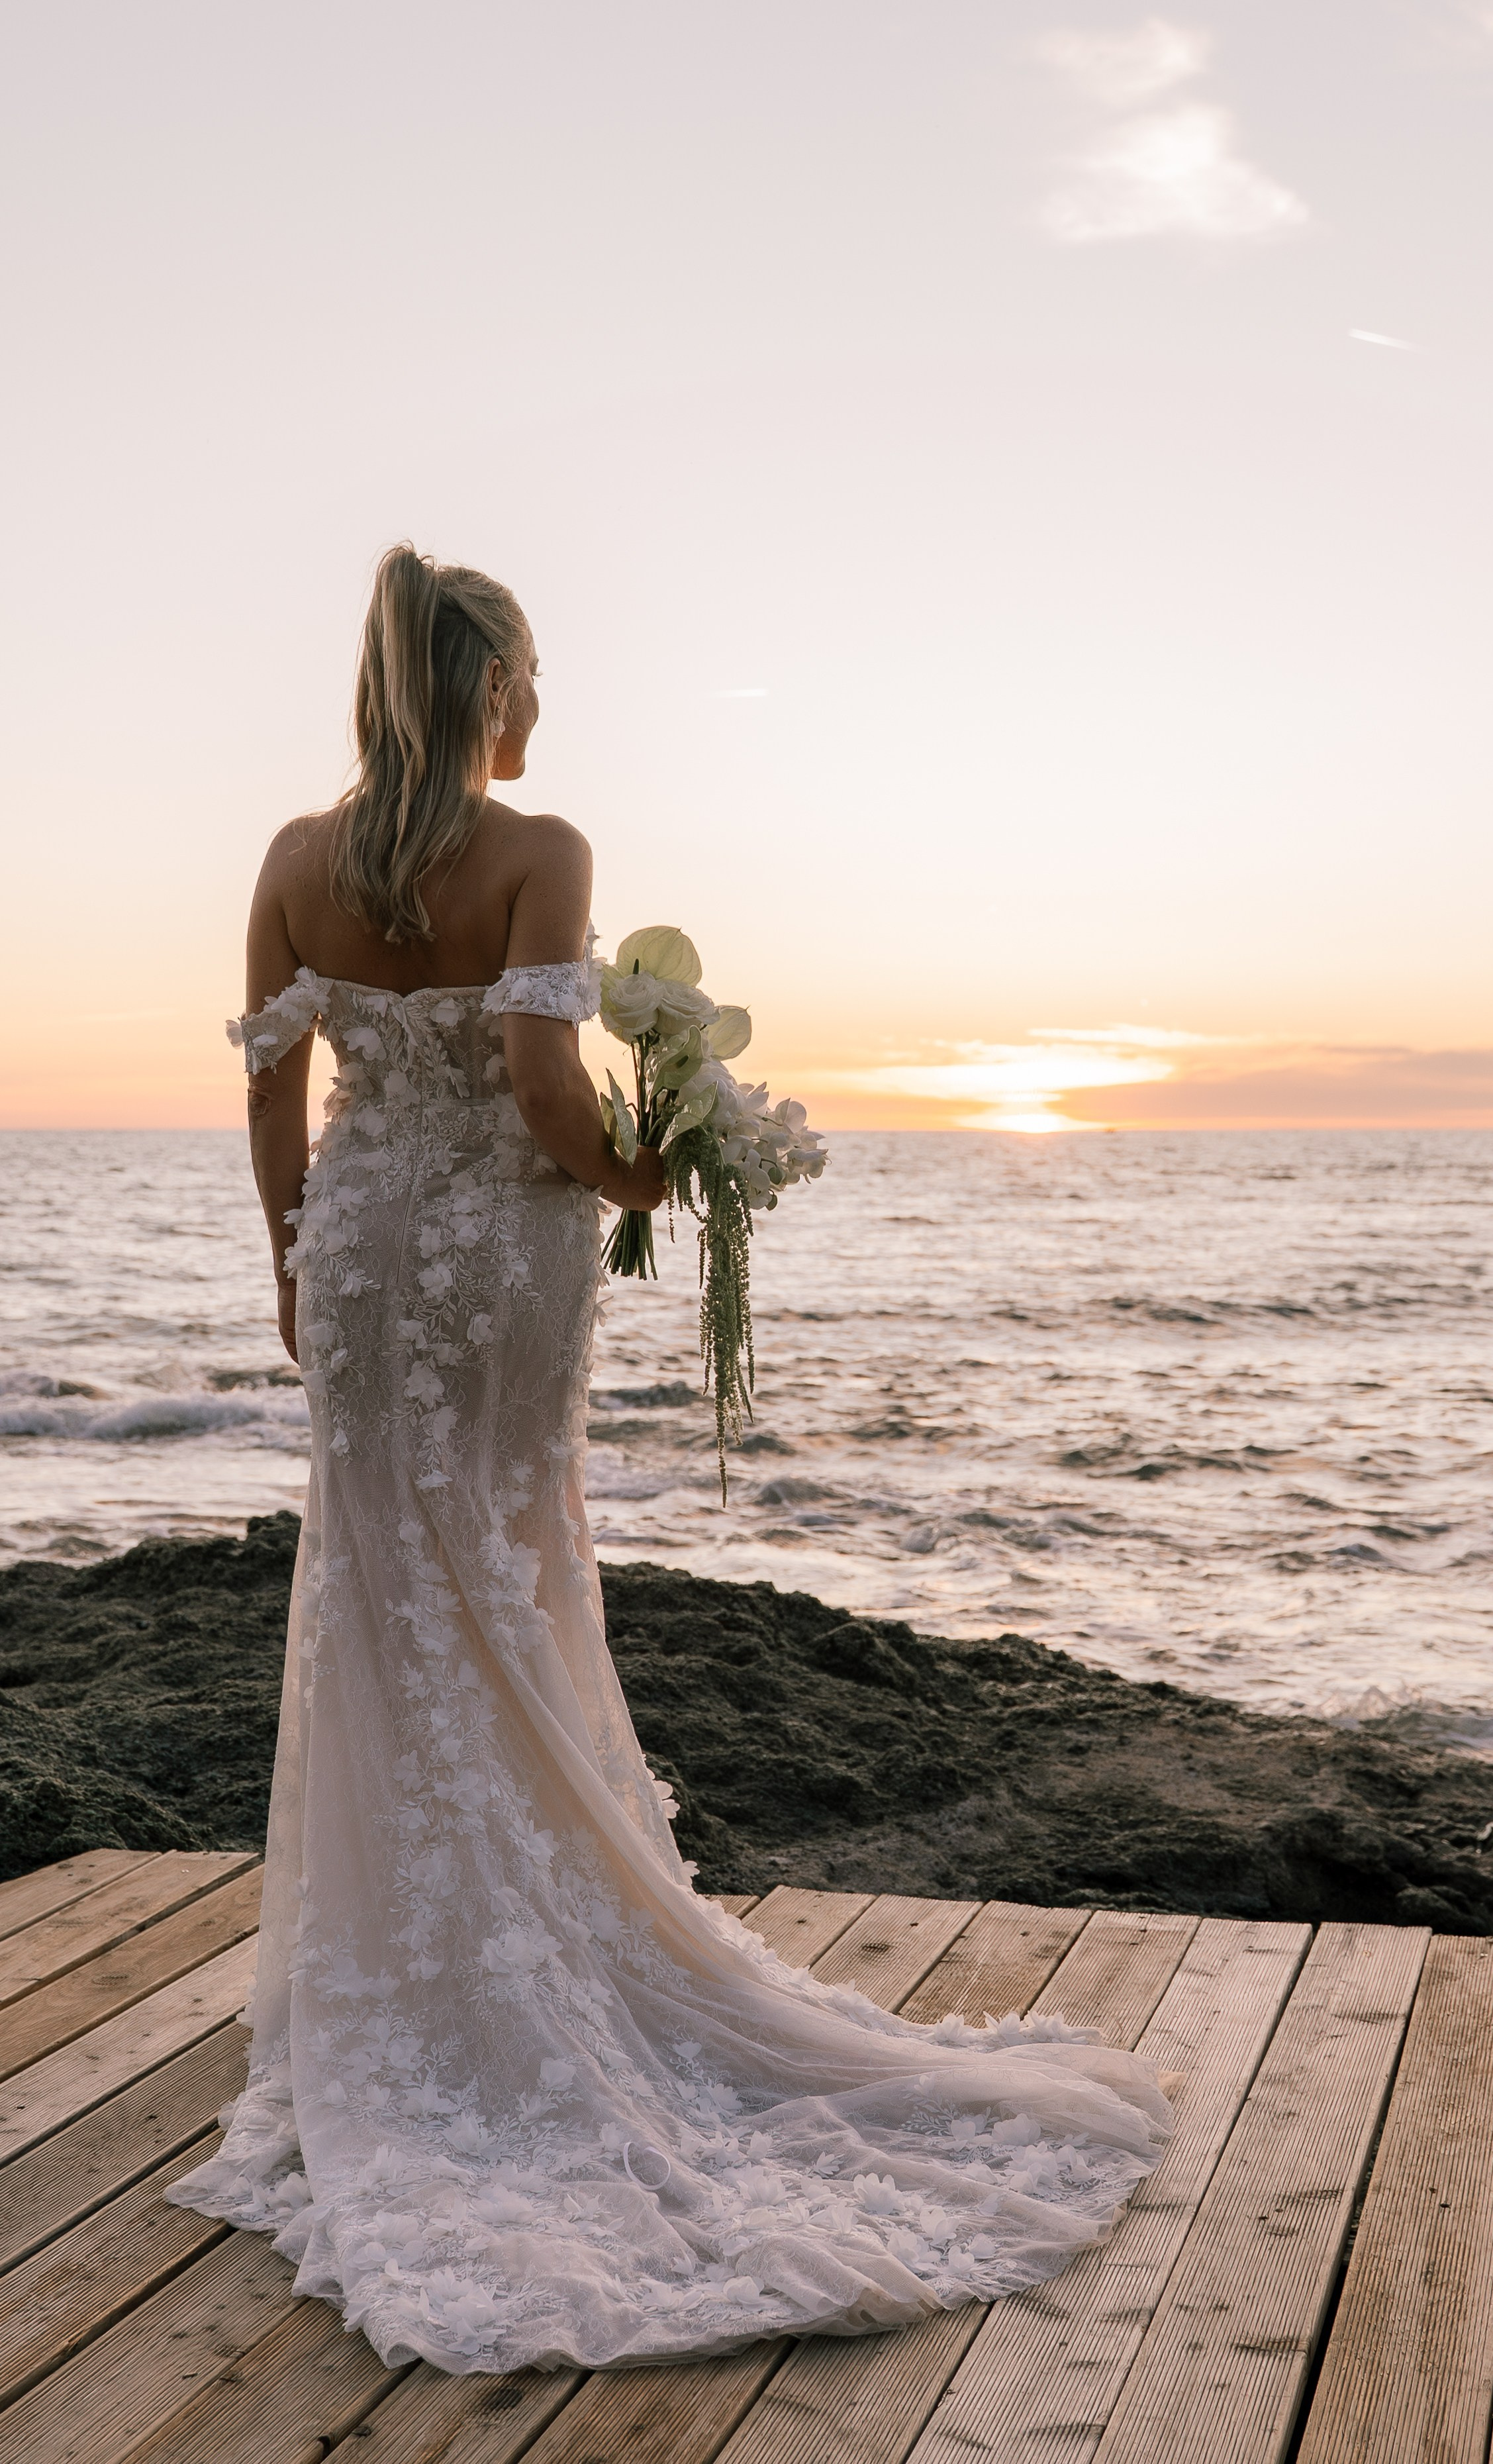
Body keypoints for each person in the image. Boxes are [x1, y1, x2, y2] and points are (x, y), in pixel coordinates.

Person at [169, 543, 1171, 2375]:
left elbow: (269, 1089)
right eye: (530, 674)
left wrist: (291, 1259)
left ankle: (399, 1974)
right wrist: (654, 1176)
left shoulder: (294, 859)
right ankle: (519, 1962)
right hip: (502, 1250)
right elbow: (547, 1091)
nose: (542, 705)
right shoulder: (537, 850)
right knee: (504, 1564)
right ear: (487, 685)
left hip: (365, 1249)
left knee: (380, 1582)